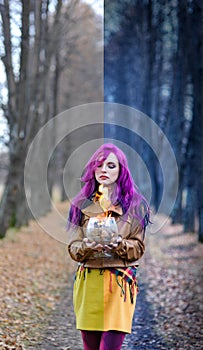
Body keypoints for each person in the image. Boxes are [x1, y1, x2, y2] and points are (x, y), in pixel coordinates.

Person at [67, 143, 150, 350]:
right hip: (89, 284)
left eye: (111, 165)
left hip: (119, 283)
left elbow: (138, 248)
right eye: (99, 165)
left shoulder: (136, 206)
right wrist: (87, 246)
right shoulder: (82, 205)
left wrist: (119, 245)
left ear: (122, 171)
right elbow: (74, 248)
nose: (104, 170)